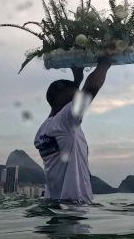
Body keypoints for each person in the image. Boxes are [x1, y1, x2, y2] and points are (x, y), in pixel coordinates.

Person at [34, 57, 112, 204]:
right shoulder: (65, 122)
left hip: (55, 203)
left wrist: (77, 79)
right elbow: (91, 88)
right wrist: (105, 62)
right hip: (75, 207)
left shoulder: (43, 130)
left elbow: (63, 102)